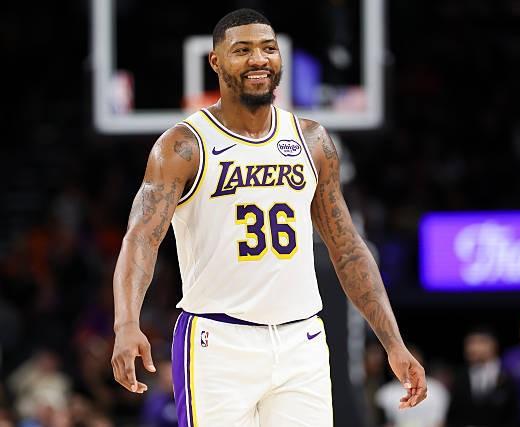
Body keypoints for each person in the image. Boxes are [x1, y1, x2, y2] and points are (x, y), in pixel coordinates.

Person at [110, 8, 426, 426]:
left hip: (301, 340)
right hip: (218, 341)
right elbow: (141, 238)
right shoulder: (184, 145)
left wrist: (393, 342)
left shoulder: (312, 140)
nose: (258, 59)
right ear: (216, 61)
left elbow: (348, 248)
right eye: (242, 50)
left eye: (268, 49)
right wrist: (126, 323)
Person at [446, 327, 519, 427]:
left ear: (493, 345)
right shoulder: (460, 376)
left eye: (480, 342)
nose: (473, 348)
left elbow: (513, 413)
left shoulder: (508, 373)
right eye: (469, 343)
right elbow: (453, 414)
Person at [376, 345, 448, 427]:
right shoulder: (384, 393)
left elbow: (439, 422)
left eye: (413, 363)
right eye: (404, 364)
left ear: (420, 363)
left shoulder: (437, 390)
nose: (409, 368)